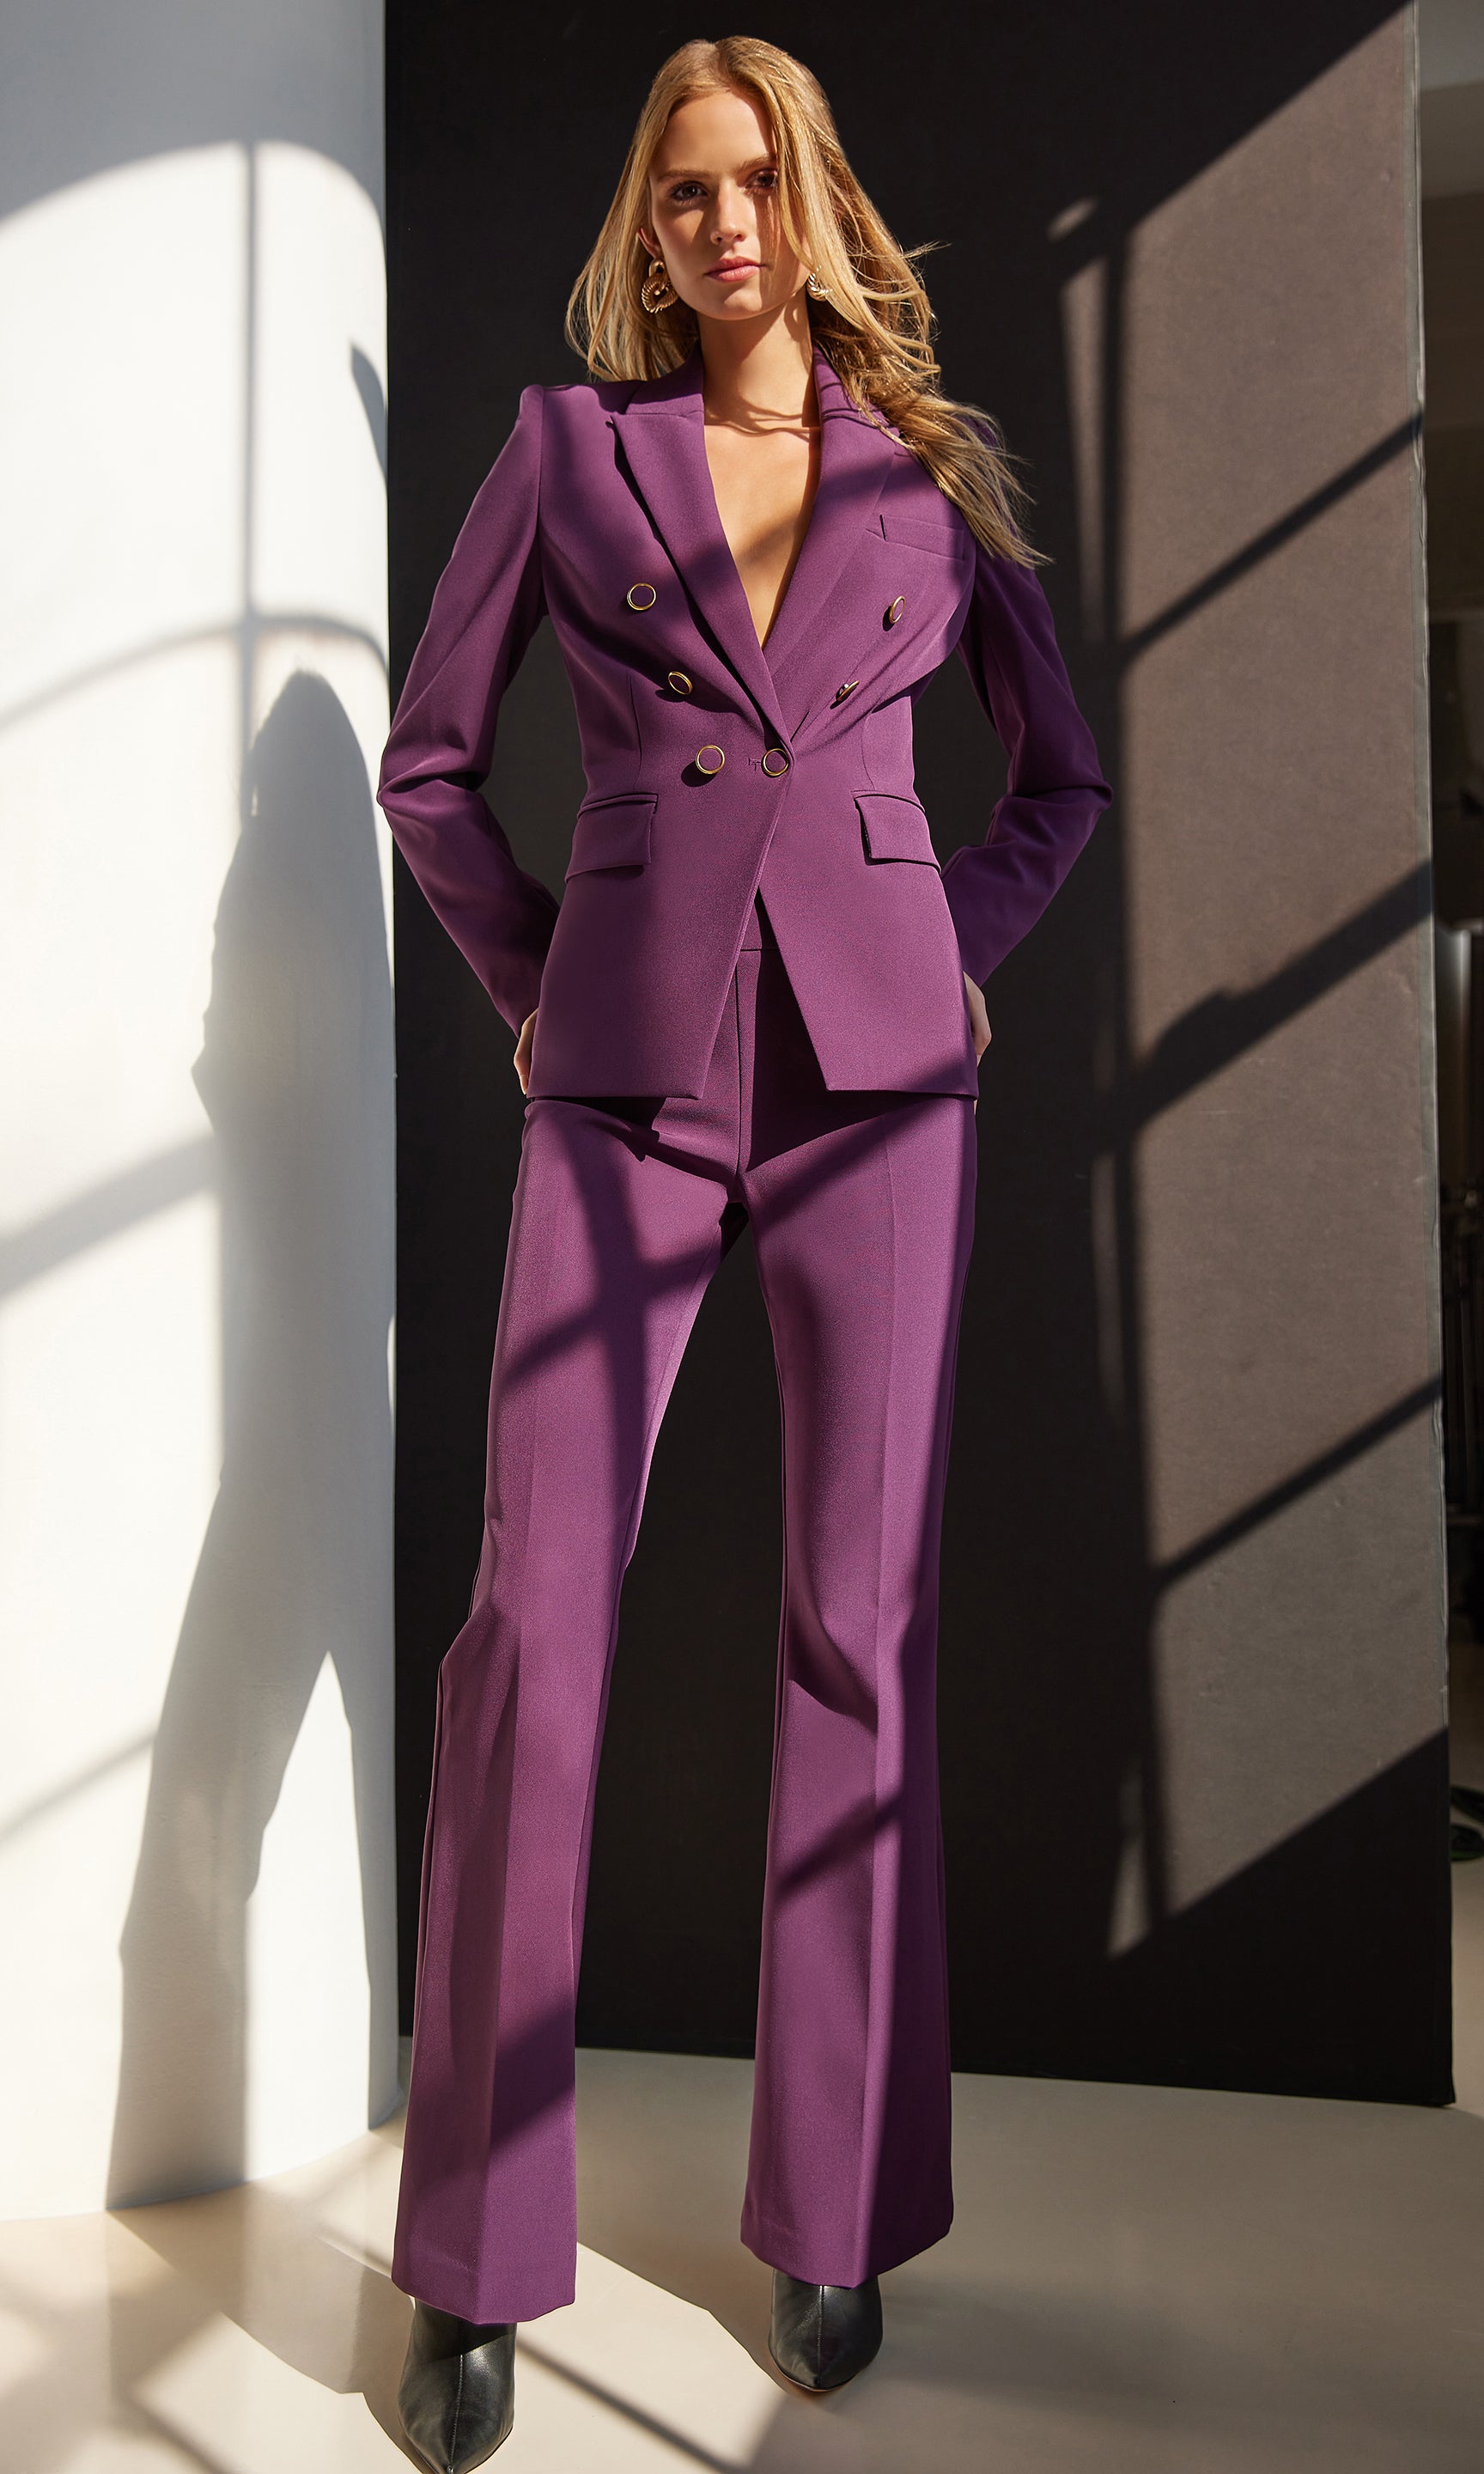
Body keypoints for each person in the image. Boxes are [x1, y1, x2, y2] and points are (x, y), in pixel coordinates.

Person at [379, 34, 1110, 2471]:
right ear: (646, 222)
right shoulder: (565, 454)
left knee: (853, 1634)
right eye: (682, 191)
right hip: (626, 1088)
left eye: (755, 180)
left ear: (812, 198)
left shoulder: (926, 464)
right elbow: (433, 756)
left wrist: (959, 931)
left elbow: (1055, 772)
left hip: (883, 1094)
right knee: (531, 1637)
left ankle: (832, 2217)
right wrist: (530, 983)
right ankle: (474, 2264)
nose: (721, 226)